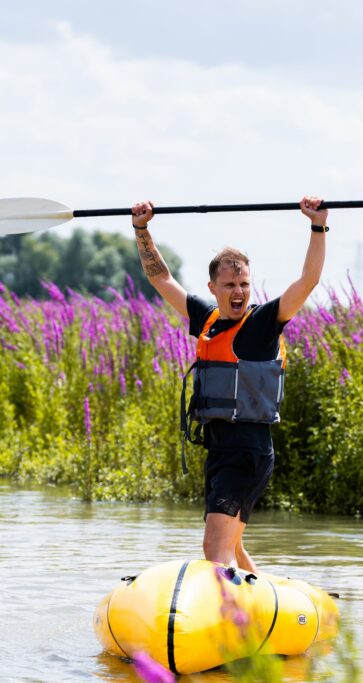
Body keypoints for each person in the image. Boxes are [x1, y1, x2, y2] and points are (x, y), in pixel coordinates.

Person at [131, 197, 328, 573]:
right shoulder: (205, 319)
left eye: (244, 284)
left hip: (247, 452)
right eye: (229, 285)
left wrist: (317, 226)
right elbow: (160, 277)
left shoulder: (263, 323)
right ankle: (262, 607)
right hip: (221, 452)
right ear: (213, 286)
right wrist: (142, 230)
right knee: (232, 548)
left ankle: (221, 620)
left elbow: (309, 280)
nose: (238, 292)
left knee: (214, 550)